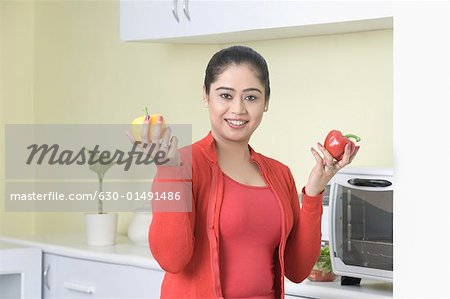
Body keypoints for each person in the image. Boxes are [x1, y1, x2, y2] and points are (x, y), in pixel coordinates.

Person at [127, 45, 359, 299]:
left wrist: (315, 191)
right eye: (225, 95)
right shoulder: (180, 163)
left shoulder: (279, 174)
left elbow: (297, 270)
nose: (238, 109)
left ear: (266, 102)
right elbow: (171, 259)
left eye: (251, 97)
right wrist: (170, 171)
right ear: (206, 96)